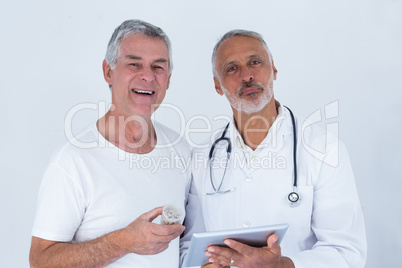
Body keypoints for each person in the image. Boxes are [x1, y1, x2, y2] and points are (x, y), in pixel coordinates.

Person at [181, 30, 367, 267]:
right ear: (218, 85)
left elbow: (347, 252)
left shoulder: (324, 149)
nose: (247, 75)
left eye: (254, 62)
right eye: (232, 68)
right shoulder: (202, 157)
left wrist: (283, 265)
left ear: (274, 70)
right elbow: (190, 247)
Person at [29, 20, 191, 267]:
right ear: (108, 71)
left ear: (168, 79)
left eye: (158, 67)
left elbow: (188, 244)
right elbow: (40, 261)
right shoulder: (73, 161)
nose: (147, 76)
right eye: (134, 64)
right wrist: (122, 242)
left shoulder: (181, 151)